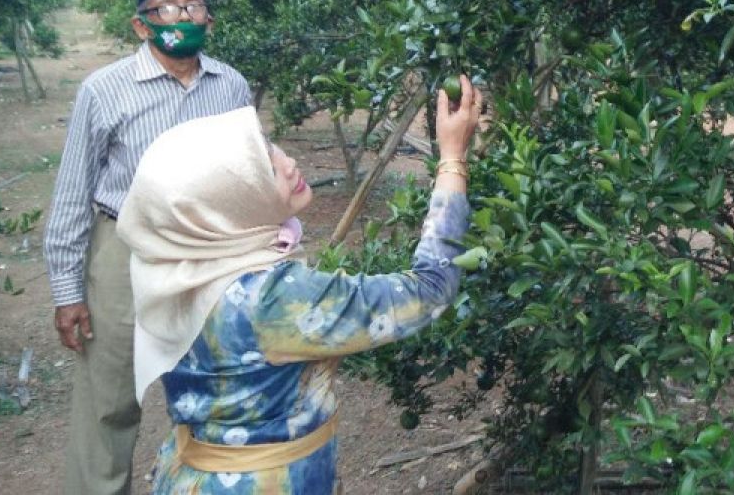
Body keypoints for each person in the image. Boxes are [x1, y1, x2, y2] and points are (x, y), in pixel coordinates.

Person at [116, 78, 480, 494]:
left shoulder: (175, 263)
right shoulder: (271, 297)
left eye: (269, 146)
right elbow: (430, 289)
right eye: (265, 169)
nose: (287, 162)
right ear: (226, 202)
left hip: (191, 473)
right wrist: (452, 158)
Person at [44, 0, 252, 494]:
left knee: (214, 383)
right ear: (142, 24)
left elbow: (251, 172)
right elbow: (72, 193)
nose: (180, 16)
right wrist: (69, 292)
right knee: (111, 400)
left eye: (192, 6)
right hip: (124, 250)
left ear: (208, 19)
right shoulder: (104, 89)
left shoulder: (230, 86)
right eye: (167, 9)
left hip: (209, 253)